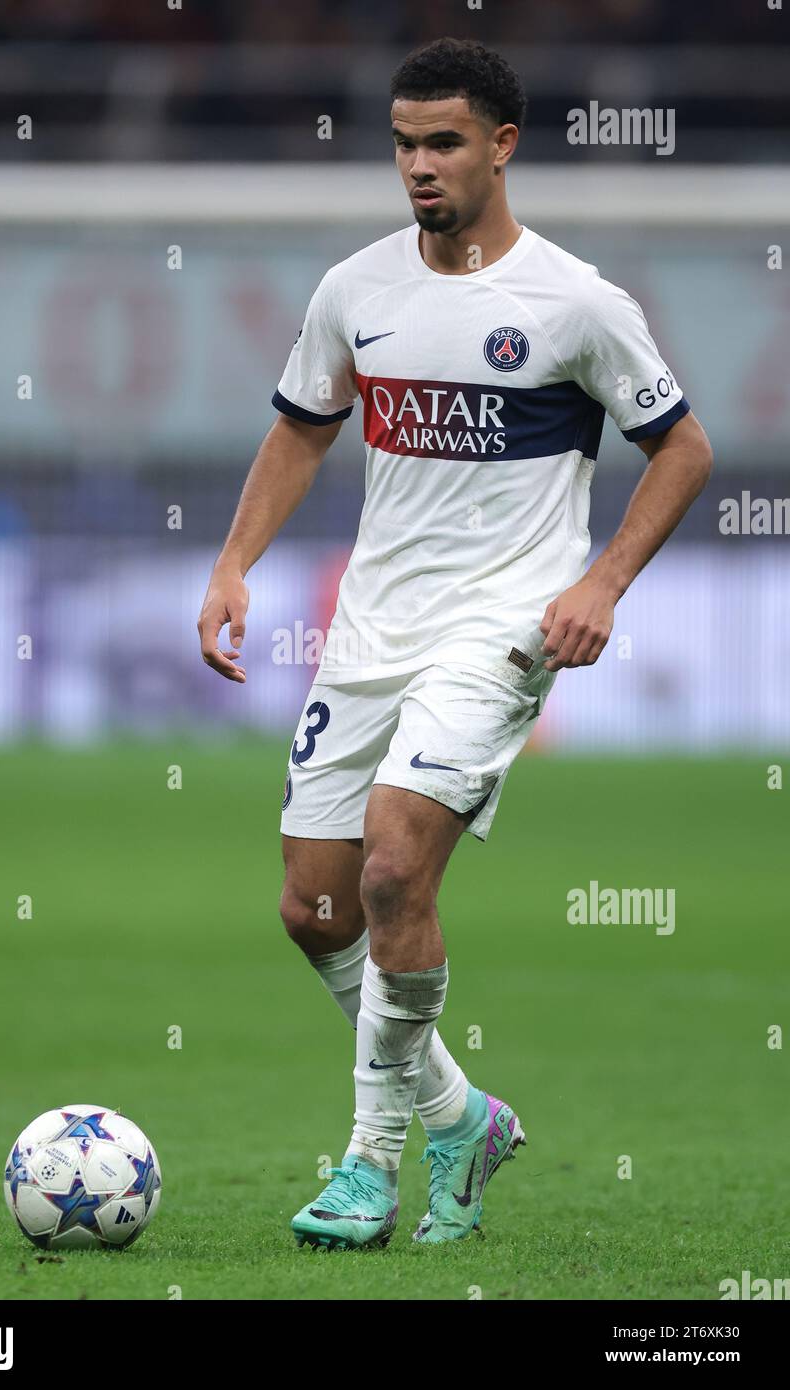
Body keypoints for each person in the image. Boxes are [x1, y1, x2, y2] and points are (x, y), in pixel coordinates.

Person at [197, 36, 712, 1250]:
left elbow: (683, 450)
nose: (417, 166)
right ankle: (462, 1114)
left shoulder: (576, 302)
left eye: (441, 143)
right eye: (402, 143)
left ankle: (370, 1163)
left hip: (500, 629)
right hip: (370, 629)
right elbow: (302, 427)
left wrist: (602, 582)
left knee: (389, 873)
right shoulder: (357, 291)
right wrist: (232, 562)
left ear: (500, 145)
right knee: (314, 907)